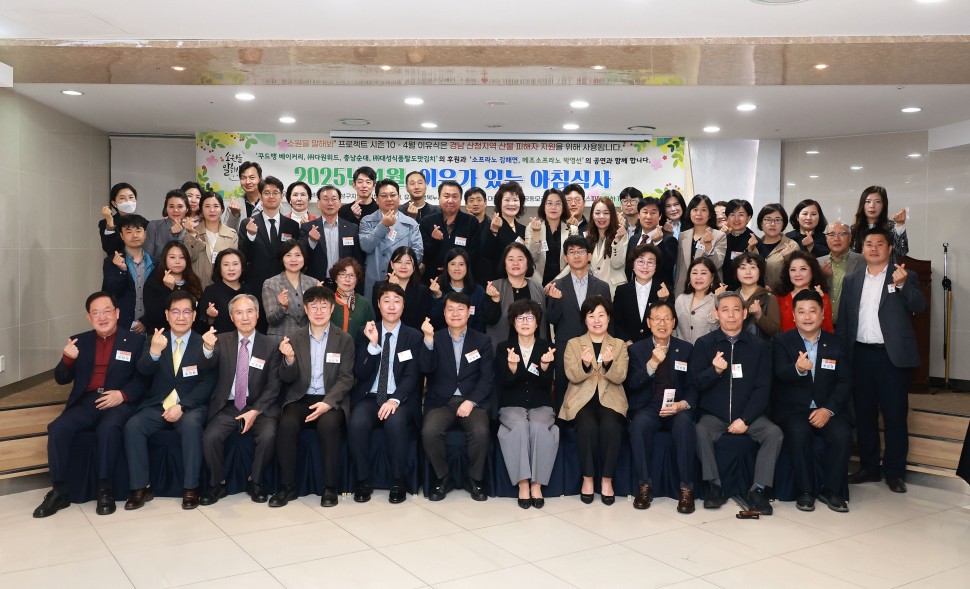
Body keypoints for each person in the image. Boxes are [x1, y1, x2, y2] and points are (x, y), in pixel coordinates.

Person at [33, 292, 148, 518]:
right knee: (57, 428)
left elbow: (143, 378)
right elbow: (61, 378)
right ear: (89, 317)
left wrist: (123, 395)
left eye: (107, 311)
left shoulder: (135, 341)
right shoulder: (79, 341)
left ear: (117, 313)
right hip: (87, 401)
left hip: (118, 401)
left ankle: (105, 489)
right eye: (96, 313)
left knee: (108, 429)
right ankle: (59, 491)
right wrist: (67, 359)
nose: (102, 317)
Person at [838, 226, 925, 494]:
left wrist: (902, 286)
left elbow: (919, 306)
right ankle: (869, 467)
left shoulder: (904, 275)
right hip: (860, 354)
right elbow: (845, 321)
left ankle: (895, 472)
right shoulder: (852, 280)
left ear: (890, 249)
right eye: (868, 244)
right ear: (861, 248)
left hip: (891, 356)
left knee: (894, 415)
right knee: (864, 415)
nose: (873, 248)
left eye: (879, 244)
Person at [691, 291, 781, 514]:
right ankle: (714, 486)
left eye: (736, 310)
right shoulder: (704, 344)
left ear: (744, 313)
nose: (731, 315)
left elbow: (763, 388)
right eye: (725, 310)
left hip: (749, 416)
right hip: (715, 416)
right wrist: (714, 371)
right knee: (700, 430)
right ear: (716, 314)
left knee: (774, 433)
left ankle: (758, 489)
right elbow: (696, 383)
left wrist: (746, 419)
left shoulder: (759, 346)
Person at [124, 290, 216, 511]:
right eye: (175, 312)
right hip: (158, 404)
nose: (181, 317)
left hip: (191, 405)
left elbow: (207, 383)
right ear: (167, 314)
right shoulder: (154, 340)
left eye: (186, 312)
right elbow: (143, 371)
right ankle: (141, 487)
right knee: (133, 426)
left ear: (194, 315)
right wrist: (154, 353)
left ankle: (191, 487)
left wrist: (182, 406)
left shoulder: (203, 343)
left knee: (191, 425)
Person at [270, 286, 355, 508]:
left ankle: (330, 487)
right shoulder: (295, 338)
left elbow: (346, 378)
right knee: (287, 424)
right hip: (301, 397)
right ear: (306, 310)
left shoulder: (344, 339)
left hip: (331, 398)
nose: (319, 312)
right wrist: (289, 360)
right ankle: (287, 486)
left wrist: (328, 403)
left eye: (323, 306)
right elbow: (287, 378)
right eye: (313, 307)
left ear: (332, 309)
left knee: (328, 426)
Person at [772, 289, 853, 512]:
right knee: (798, 433)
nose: (807, 316)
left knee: (842, 434)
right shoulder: (782, 341)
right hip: (795, 409)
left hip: (827, 408)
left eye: (812, 311)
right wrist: (797, 369)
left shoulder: (837, 343)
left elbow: (845, 381)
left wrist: (828, 409)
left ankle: (832, 491)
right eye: (801, 312)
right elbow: (779, 372)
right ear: (793, 316)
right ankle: (805, 491)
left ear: (823, 314)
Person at [199, 294, 283, 505]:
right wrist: (207, 349)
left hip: (258, 407)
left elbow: (274, 385)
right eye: (239, 313)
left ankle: (256, 481)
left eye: (249, 312)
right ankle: (218, 483)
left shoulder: (270, 345)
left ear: (257, 314)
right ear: (231, 317)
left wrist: (256, 411)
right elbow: (205, 366)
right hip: (228, 407)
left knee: (268, 435)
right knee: (210, 437)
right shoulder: (220, 341)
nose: (245, 317)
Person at [349, 283, 424, 504]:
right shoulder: (366, 332)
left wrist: (395, 399)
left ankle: (398, 481)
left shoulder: (413, 336)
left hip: (400, 398)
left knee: (395, 422)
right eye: (386, 301)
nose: (391, 306)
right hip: (370, 396)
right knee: (357, 422)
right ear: (379, 305)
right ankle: (363, 480)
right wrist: (373, 345)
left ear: (403, 306)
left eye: (397, 301)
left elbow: (412, 376)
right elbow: (360, 372)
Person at [420, 292, 496, 501]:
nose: (455, 314)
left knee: (480, 431)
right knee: (429, 431)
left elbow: (487, 377)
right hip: (441, 402)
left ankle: (474, 479)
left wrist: (471, 401)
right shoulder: (435, 338)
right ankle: (443, 477)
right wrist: (428, 340)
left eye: (460, 309)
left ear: (469, 313)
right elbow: (425, 368)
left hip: (472, 401)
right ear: (444, 313)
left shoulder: (482, 340)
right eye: (450, 309)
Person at [625, 300, 697, 513]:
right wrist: (652, 364)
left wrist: (682, 405)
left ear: (674, 322)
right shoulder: (637, 349)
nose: (662, 323)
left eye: (667, 319)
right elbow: (632, 384)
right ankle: (644, 485)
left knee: (684, 425)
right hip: (649, 406)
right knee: (638, 426)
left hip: (676, 405)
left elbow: (693, 385)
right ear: (649, 323)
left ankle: (686, 489)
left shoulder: (686, 349)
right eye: (657, 319)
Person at [559, 296, 629, 505]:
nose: (597, 320)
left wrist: (608, 364)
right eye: (591, 316)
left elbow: (620, 377)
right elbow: (572, 375)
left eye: (601, 315)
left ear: (608, 318)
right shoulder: (574, 344)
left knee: (611, 426)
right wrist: (584, 364)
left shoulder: (619, 345)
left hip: (611, 398)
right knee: (587, 426)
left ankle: (607, 480)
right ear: (585, 319)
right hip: (581, 399)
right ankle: (588, 479)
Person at [497, 299, 558, 509]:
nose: (525, 322)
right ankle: (523, 483)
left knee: (540, 427)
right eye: (520, 318)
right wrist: (513, 369)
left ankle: (536, 484)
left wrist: (545, 367)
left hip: (540, 403)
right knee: (520, 426)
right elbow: (504, 383)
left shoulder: (547, 348)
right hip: (512, 404)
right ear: (513, 322)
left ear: (537, 322)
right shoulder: (503, 348)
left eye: (530, 318)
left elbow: (546, 385)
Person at [545, 236, 612, 407]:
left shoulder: (602, 286)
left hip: (595, 345)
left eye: (581, 251)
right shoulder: (556, 285)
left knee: (594, 391)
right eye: (572, 252)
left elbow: (609, 320)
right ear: (565, 258)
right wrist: (555, 301)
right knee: (563, 392)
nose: (576, 256)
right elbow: (551, 319)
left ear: (589, 256)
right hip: (565, 346)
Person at [239, 176, 300, 318]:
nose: (271, 196)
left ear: (282, 196)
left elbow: (296, 257)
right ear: (260, 196)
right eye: (267, 193)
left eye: (275, 192)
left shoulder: (292, 226)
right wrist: (250, 236)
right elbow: (242, 256)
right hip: (256, 286)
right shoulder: (248, 223)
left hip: (285, 286)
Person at [359, 178, 424, 297]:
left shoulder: (411, 224)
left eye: (393, 195)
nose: (389, 199)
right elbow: (366, 246)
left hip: (403, 282)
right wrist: (383, 225)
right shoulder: (367, 221)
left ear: (399, 198)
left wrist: (401, 270)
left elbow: (417, 254)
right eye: (384, 196)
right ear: (377, 200)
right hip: (374, 281)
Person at [301, 185, 364, 288]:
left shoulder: (352, 228)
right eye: (325, 199)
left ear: (340, 203)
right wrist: (311, 240)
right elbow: (302, 256)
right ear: (318, 203)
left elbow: (358, 260)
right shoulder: (307, 227)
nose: (330, 203)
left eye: (334, 199)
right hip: (317, 284)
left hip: (345, 284)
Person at [484, 242, 546, 347]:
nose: (515, 263)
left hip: (533, 350)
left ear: (528, 262)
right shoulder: (494, 286)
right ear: (504, 264)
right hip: (502, 349)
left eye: (520, 259)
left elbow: (543, 323)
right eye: (511, 259)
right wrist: (495, 300)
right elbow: (490, 320)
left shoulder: (538, 288)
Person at [420, 180, 481, 282]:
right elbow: (424, 255)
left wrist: (451, 269)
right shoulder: (427, 221)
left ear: (460, 199)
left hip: (463, 280)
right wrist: (434, 241)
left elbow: (474, 253)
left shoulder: (471, 222)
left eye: (455, 196)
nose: (450, 200)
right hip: (433, 280)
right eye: (446, 196)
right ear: (439, 198)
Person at [102, 214, 153, 334]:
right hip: (120, 325)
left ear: (145, 234)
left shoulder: (156, 263)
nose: (134, 235)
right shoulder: (111, 261)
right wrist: (122, 271)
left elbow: (158, 298)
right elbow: (110, 293)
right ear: (121, 235)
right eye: (129, 232)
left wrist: (145, 321)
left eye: (138, 231)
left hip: (149, 327)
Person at [613, 244, 670, 344]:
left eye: (650, 262)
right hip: (628, 346)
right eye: (640, 261)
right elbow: (615, 322)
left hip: (655, 345)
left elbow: (672, 322)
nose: (645, 266)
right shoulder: (622, 291)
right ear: (633, 265)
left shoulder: (664, 290)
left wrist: (663, 302)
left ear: (656, 267)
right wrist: (626, 341)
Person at [141, 241, 203, 333]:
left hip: (190, 335)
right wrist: (168, 289)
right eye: (172, 257)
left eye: (182, 257)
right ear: (164, 259)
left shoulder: (193, 281)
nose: (177, 261)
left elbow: (198, 315)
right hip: (162, 335)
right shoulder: (154, 281)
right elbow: (154, 315)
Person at [262, 240, 319, 337]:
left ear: (304, 258)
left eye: (298, 255)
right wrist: (282, 307)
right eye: (288, 255)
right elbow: (271, 320)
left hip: (306, 339)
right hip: (279, 340)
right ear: (282, 259)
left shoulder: (313, 283)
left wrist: (320, 297)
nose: (293, 259)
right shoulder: (270, 284)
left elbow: (318, 317)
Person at [673, 195, 726, 297]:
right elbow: (679, 267)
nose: (698, 213)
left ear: (710, 214)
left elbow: (717, 264)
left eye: (703, 210)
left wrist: (708, 246)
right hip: (684, 290)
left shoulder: (719, 236)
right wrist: (677, 289)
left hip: (708, 292)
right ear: (689, 213)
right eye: (695, 209)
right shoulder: (683, 235)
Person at [195, 249, 257, 335]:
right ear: (219, 268)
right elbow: (200, 327)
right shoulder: (211, 291)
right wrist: (211, 317)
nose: (231, 269)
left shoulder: (249, 291)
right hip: (220, 341)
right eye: (226, 265)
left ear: (242, 267)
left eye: (235, 264)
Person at [183, 192, 239, 289]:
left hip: (223, 287)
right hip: (197, 287)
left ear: (222, 209)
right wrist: (192, 235)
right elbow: (189, 258)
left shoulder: (231, 234)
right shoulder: (192, 232)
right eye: (207, 206)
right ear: (201, 210)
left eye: (216, 206)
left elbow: (234, 263)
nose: (212, 210)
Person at [371, 246, 432, 330]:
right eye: (399, 262)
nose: (403, 266)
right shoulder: (379, 286)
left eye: (408, 263)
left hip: (413, 335)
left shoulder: (423, 291)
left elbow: (422, 319)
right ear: (392, 264)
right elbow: (379, 315)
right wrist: (391, 288)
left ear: (414, 267)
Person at [526, 188, 575, 288]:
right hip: (536, 285)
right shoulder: (532, 227)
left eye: (558, 203)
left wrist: (555, 282)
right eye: (549, 203)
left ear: (563, 207)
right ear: (543, 206)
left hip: (562, 284)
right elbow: (530, 258)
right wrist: (536, 233)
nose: (553, 207)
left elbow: (572, 262)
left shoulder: (572, 230)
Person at [818, 221, 865, 326]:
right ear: (826, 238)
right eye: (831, 234)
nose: (836, 238)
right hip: (823, 325)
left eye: (842, 234)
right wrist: (822, 277)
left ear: (850, 237)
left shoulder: (863, 261)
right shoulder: (817, 263)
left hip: (852, 325)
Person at [429, 248, 487, 333]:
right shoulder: (437, 289)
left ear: (467, 267)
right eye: (453, 264)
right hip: (444, 339)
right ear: (446, 267)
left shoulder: (478, 291)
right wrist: (438, 297)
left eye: (461, 264)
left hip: (473, 339)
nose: (457, 268)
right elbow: (435, 322)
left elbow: (481, 323)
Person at [775, 251, 834, 333]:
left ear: (812, 271)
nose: (797, 274)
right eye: (793, 270)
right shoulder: (780, 298)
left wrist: (821, 299)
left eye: (803, 269)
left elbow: (827, 330)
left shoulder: (822, 297)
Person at [480, 180, 527, 283]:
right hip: (497, 282)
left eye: (515, 200)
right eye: (507, 200)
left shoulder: (523, 229)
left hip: (519, 281)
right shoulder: (489, 225)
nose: (511, 204)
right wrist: (494, 230)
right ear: (500, 203)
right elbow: (485, 254)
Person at [582, 196, 629, 297]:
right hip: (593, 291)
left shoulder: (621, 234)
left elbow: (617, 264)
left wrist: (617, 241)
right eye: (597, 213)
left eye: (606, 213)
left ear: (612, 215)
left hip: (614, 291)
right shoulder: (587, 237)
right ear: (592, 215)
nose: (601, 216)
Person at [850, 185, 909, 263]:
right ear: (862, 204)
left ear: (883, 205)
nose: (872, 206)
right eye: (868, 201)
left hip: (886, 270)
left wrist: (900, 225)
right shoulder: (854, 229)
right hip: (860, 270)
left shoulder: (892, 227)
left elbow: (902, 252)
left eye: (877, 202)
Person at [627, 197, 677, 289]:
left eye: (653, 213)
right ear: (639, 215)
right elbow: (629, 268)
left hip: (659, 292)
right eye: (645, 212)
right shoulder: (633, 239)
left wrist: (658, 242)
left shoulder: (669, 239)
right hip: (634, 290)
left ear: (660, 216)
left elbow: (668, 266)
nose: (648, 216)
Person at [734, 252, 781, 340]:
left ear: (760, 272)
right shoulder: (731, 298)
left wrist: (759, 316)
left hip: (760, 347)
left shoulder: (769, 298)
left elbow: (776, 332)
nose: (748, 272)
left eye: (752, 267)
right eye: (743, 268)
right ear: (736, 272)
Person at [674, 257, 721, 345]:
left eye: (703, 273)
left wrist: (718, 301)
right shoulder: (681, 299)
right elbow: (676, 330)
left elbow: (717, 330)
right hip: (682, 351)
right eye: (694, 273)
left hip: (707, 351)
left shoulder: (717, 300)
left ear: (712, 277)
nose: (698, 277)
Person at [753, 203, 798, 290]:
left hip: (782, 295)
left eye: (777, 220)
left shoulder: (791, 245)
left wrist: (788, 259)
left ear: (783, 223)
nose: (773, 224)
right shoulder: (754, 245)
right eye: (768, 219)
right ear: (761, 223)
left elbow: (798, 275)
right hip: (757, 295)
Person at [329, 257, 375, 339]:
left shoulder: (364, 303)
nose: (347, 279)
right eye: (343, 275)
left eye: (351, 275)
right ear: (335, 279)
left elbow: (371, 331)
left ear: (356, 280)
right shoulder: (328, 300)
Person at [144, 189, 189, 261]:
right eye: (171, 206)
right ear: (166, 208)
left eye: (180, 206)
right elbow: (147, 258)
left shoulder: (190, 230)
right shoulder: (154, 226)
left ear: (187, 209)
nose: (175, 210)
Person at [722, 199, 756, 291]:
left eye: (741, 215)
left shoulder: (753, 240)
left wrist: (751, 250)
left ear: (748, 218)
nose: (736, 219)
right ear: (727, 217)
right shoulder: (723, 238)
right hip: (724, 290)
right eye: (732, 214)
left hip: (746, 290)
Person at [222, 161, 263, 232]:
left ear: (260, 179)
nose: (247, 182)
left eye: (252, 177)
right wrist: (234, 214)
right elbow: (227, 232)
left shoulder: (271, 202)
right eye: (243, 178)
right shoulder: (234, 205)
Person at [98, 182, 138, 255]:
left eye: (131, 197)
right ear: (114, 203)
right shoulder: (105, 223)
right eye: (122, 198)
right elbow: (109, 248)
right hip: (117, 261)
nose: (128, 201)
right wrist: (110, 221)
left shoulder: (145, 223)